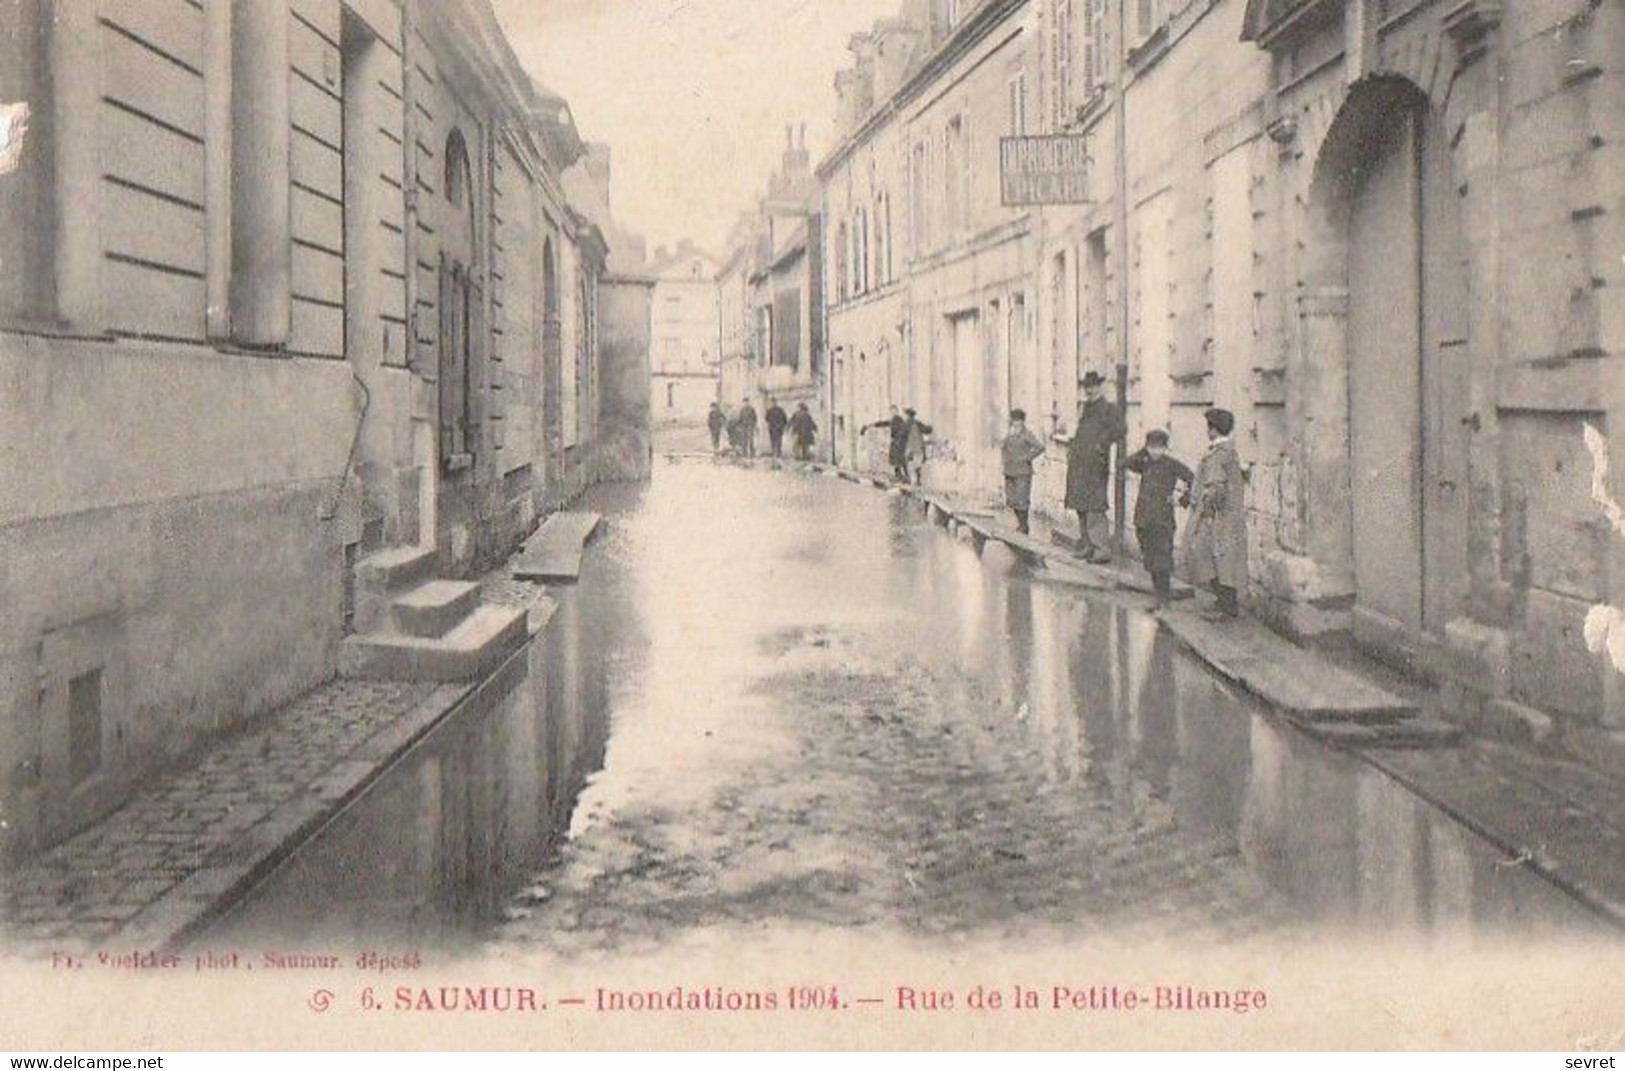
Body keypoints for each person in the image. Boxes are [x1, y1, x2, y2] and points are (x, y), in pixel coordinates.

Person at [1184, 408, 1248, 621]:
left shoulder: (1218, 455)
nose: (1207, 431)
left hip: (1217, 518)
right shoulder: (1229, 452)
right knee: (1223, 560)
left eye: (1208, 427)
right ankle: (1224, 603)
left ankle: (1226, 608)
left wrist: (1206, 512)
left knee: (1213, 558)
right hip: (1228, 518)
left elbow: (1216, 488)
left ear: (1212, 429)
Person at [1124, 429, 1195, 611]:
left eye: (1159, 448)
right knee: (1150, 559)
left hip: (1163, 520)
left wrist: (1182, 500)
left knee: (1162, 560)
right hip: (1143, 519)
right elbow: (1126, 462)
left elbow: (1193, 479)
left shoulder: (1172, 465)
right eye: (1152, 447)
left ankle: (1163, 600)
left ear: (1165, 448)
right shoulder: (1144, 462)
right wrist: (1143, 451)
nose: (1155, 452)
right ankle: (1159, 596)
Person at [1064, 370, 1126, 563]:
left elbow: (1121, 429)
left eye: (1092, 386)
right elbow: (1082, 432)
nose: (1089, 390)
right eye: (1086, 387)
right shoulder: (1086, 408)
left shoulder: (1109, 409)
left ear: (1100, 387)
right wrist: (1073, 445)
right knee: (1080, 504)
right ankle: (1087, 546)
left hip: (1095, 464)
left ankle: (1102, 549)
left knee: (1095, 505)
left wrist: (1102, 443)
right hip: (1079, 463)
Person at [999, 409, 1047, 535]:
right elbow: (1003, 447)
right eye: (1014, 423)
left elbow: (1040, 447)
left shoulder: (1027, 434)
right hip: (1009, 472)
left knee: (1022, 501)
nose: (1017, 426)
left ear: (1023, 422)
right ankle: (1021, 524)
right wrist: (1005, 461)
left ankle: (1024, 526)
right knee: (1012, 500)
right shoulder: (1009, 434)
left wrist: (1027, 457)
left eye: (1019, 423)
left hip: (1023, 473)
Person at [868, 405, 910, 482]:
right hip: (897, 442)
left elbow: (903, 431)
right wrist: (874, 424)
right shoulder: (894, 420)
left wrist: (898, 440)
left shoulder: (898, 420)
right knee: (897, 459)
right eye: (890, 411)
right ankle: (901, 476)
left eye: (893, 411)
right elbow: (885, 423)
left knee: (898, 458)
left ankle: (902, 476)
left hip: (898, 442)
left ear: (896, 411)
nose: (891, 413)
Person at [903, 408, 933, 486]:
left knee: (910, 464)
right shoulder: (917, 423)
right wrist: (930, 427)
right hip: (917, 447)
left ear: (908, 415)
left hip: (910, 448)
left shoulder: (906, 424)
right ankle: (917, 481)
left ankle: (912, 481)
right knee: (916, 465)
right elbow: (927, 430)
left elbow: (902, 436)